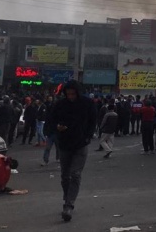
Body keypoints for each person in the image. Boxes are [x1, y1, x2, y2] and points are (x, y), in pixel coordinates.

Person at [50, 80, 97, 222]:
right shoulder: (60, 105)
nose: (70, 96)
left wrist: (87, 136)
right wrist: (57, 127)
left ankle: (69, 205)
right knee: (65, 176)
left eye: (73, 94)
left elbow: (92, 121)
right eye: (68, 94)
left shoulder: (87, 104)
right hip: (64, 144)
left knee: (75, 174)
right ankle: (67, 197)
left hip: (81, 144)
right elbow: (51, 120)